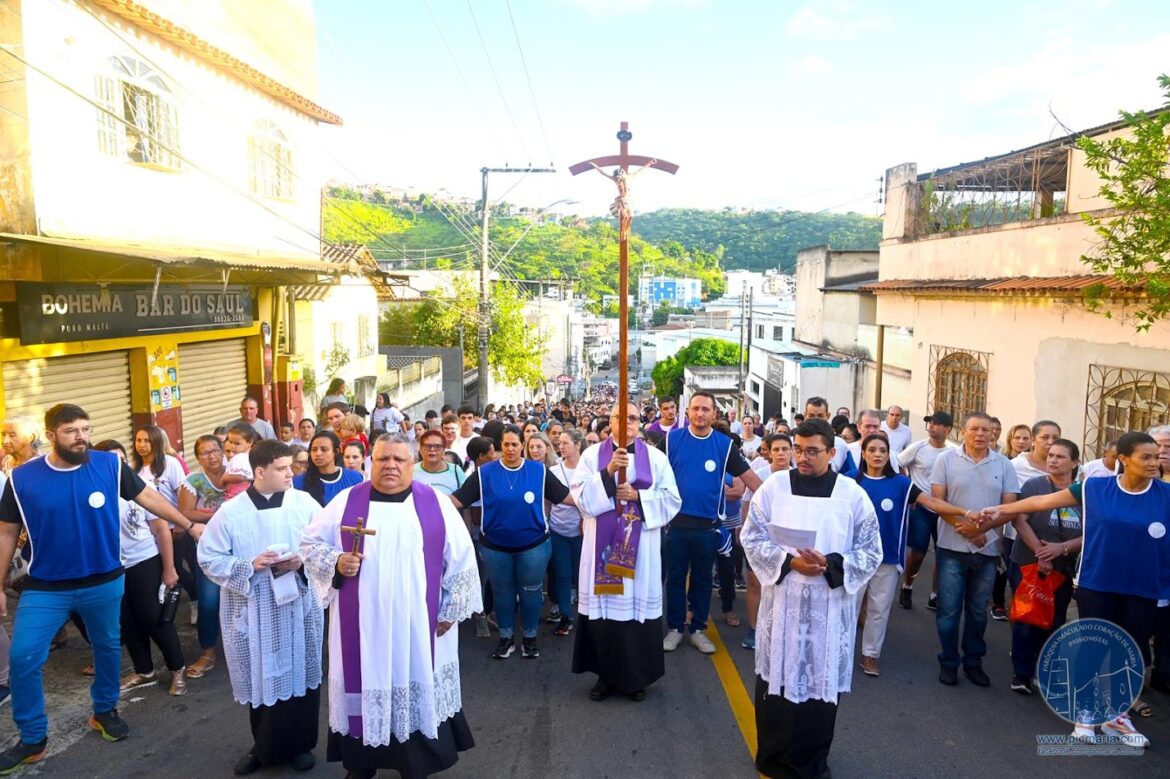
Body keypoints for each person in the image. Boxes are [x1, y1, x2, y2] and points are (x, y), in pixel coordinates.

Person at [0, 404, 203, 773]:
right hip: (45, 587)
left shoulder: (109, 466)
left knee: (109, 647)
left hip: (105, 580)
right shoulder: (22, 478)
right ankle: (32, 738)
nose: (81, 437)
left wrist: (188, 525)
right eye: (71, 431)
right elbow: (6, 532)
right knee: (23, 657)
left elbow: (149, 498)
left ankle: (104, 710)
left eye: (85, 428)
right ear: (50, 436)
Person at [301, 436, 480, 779]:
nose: (391, 466)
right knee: (364, 685)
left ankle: (415, 763)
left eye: (399, 459)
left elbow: (461, 561)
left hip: (418, 625)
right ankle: (361, 763)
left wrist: (449, 610)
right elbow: (309, 544)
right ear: (371, 462)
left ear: (412, 465)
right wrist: (337, 561)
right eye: (383, 459)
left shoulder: (436, 504)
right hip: (362, 624)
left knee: (413, 680)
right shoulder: (346, 502)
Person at [981, 431, 1168, 747]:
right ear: (1123, 459)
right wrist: (1000, 511)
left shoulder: (1165, 495)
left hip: (1144, 587)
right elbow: (1041, 501)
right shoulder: (1095, 488)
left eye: (1156, 456)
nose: (1154, 461)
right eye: (1145, 457)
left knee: (1131, 650)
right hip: (1099, 583)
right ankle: (1085, 715)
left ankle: (1116, 718)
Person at [741, 418, 882, 779]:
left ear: (832, 452)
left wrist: (831, 563)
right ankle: (773, 758)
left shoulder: (852, 494)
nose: (802, 458)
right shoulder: (774, 486)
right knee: (778, 683)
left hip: (827, 608)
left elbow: (870, 550)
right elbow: (752, 536)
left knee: (818, 689)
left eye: (812, 451)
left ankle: (810, 763)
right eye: (798, 450)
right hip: (784, 601)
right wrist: (790, 562)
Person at [197, 439, 323, 775]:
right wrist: (249, 564)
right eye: (282, 469)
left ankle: (301, 746)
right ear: (259, 471)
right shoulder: (233, 512)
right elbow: (209, 557)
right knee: (263, 676)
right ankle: (264, 748)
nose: (290, 474)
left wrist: (302, 561)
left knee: (300, 673)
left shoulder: (304, 503)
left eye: (291, 467)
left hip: (298, 605)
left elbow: (326, 546)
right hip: (256, 609)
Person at [570, 403, 681, 701]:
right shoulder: (592, 456)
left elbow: (672, 500)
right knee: (604, 613)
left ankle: (635, 679)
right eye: (621, 417)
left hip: (641, 548)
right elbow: (579, 497)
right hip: (601, 551)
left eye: (632, 417)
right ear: (611, 421)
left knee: (634, 615)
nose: (627, 422)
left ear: (639, 422)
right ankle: (604, 678)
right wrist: (607, 473)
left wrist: (638, 496)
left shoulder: (656, 458)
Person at [449, 426, 576, 660]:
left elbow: (565, 497)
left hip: (534, 546)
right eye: (505, 444)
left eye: (515, 444)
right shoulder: (484, 473)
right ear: (500, 446)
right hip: (495, 547)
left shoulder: (539, 471)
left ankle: (530, 639)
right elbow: (457, 500)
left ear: (522, 446)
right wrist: (423, 505)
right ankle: (506, 639)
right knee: (502, 593)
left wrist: (599, 501)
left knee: (530, 592)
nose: (510, 449)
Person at [855, 435, 966, 677]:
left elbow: (933, 503)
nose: (877, 454)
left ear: (889, 455)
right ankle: (839, 653)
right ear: (863, 453)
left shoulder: (902, 484)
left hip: (888, 558)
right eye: (872, 450)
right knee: (848, 609)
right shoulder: (851, 482)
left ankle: (870, 655)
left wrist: (964, 512)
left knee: (879, 609)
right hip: (854, 558)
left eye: (882, 450)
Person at [660, 392, 763, 655]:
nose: (700, 414)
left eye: (706, 409)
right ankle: (674, 628)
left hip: (708, 527)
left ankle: (697, 630)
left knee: (703, 580)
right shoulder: (672, 440)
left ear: (714, 414)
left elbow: (750, 479)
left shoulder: (724, 445)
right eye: (695, 409)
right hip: (676, 525)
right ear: (688, 413)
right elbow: (648, 470)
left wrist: (780, 503)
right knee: (674, 579)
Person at [931, 412, 1019, 688]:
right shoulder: (945, 460)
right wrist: (965, 527)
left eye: (986, 430)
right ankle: (948, 661)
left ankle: (973, 662)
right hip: (951, 547)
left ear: (993, 433)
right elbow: (937, 501)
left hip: (987, 551)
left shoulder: (1004, 465)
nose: (980, 434)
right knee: (949, 610)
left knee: (978, 612)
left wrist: (983, 531)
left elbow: (1009, 507)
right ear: (964, 431)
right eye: (974, 429)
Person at [93, 440, 187, 696]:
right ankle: (144, 671)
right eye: (110, 460)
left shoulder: (140, 490)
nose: (117, 465)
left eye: (121, 459)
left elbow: (160, 530)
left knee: (153, 617)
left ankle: (177, 668)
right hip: (112, 567)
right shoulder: (93, 493)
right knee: (126, 620)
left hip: (144, 560)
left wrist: (169, 569)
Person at [1005, 439, 1081, 696]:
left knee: (1054, 620)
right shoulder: (1034, 485)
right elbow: (1019, 520)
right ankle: (1022, 673)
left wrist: (1063, 548)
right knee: (1028, 617)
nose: (1053, 460)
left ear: (1074, 463)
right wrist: (1042, 552)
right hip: (1029, 563)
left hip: (1063, 568)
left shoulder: (1083, 492)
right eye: (1051, 455)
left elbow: (1094, 531)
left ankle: (1043, 668)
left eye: (1060, 456)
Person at [994, 420, 1062, 621]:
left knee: (1049, 601)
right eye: (1045, 437)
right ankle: (1019, 646)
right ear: (1034, 440)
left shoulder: (1064, 466)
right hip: (1019, 539)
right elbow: (1005, 503)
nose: (1050, 442)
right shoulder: (1014, 466)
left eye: (1055, 438)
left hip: (1055, 544)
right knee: (1022, 595)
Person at [178, 435, 227, 680]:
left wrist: (208, 513)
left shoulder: (237, 472)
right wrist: (219, 515)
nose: (212, 456)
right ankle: (208, 651)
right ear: (198, 458)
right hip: (208, 549)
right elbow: (185, 512)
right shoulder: (193, 481)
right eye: (205, 453)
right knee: (208, 602)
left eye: (216, 450)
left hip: (239, 546)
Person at [897, 411, 956, 611]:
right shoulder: (918, 447)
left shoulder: (953, 452)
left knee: (943, 553)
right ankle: (907, 586)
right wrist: (910, 490)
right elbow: (897, 463)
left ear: (948, 429)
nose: (931, 426)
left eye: (937, 424)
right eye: (930, 423)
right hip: (921, 507)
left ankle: (934, 595)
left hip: (944, 509)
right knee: (919, 552)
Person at [548, 429, 586, 637]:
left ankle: (587, 615)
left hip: (582, 532)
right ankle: (565, 615)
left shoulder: (588, 470)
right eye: (559, 443)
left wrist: (584, 519)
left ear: (578, 445)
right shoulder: (553, 471)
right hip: (557, 529)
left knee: (582, 575)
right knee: (562, 575)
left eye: (566, 443)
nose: (561, 447)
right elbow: (547, 500)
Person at [295, 431, 364, 507]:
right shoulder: (298, 482)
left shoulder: (356, 478)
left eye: (324, 449)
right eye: (314, 449)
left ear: (336, 451)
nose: (318, 454)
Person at [803, 397, 857, 476]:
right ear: (805, 415)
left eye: (820, 416)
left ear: (828, 416)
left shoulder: (840, 445)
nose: (816, 420)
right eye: (811, 416)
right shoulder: (794, 442)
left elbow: (851, 475)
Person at [413, 430, 467, 496]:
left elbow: (466, 497)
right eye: (428, 446)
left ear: (444, 451)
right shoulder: (411, 471)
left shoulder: (456, 471)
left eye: (437, 446)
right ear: (420, 450)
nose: (432, 450)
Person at [221, 423, 260, 500]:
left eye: (237, 444)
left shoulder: (240, 457)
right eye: (231, 442)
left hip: (236, 495)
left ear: (250, 442)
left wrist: (224, 478)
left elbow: (241, 477)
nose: (232, 446)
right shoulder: (253, 456)